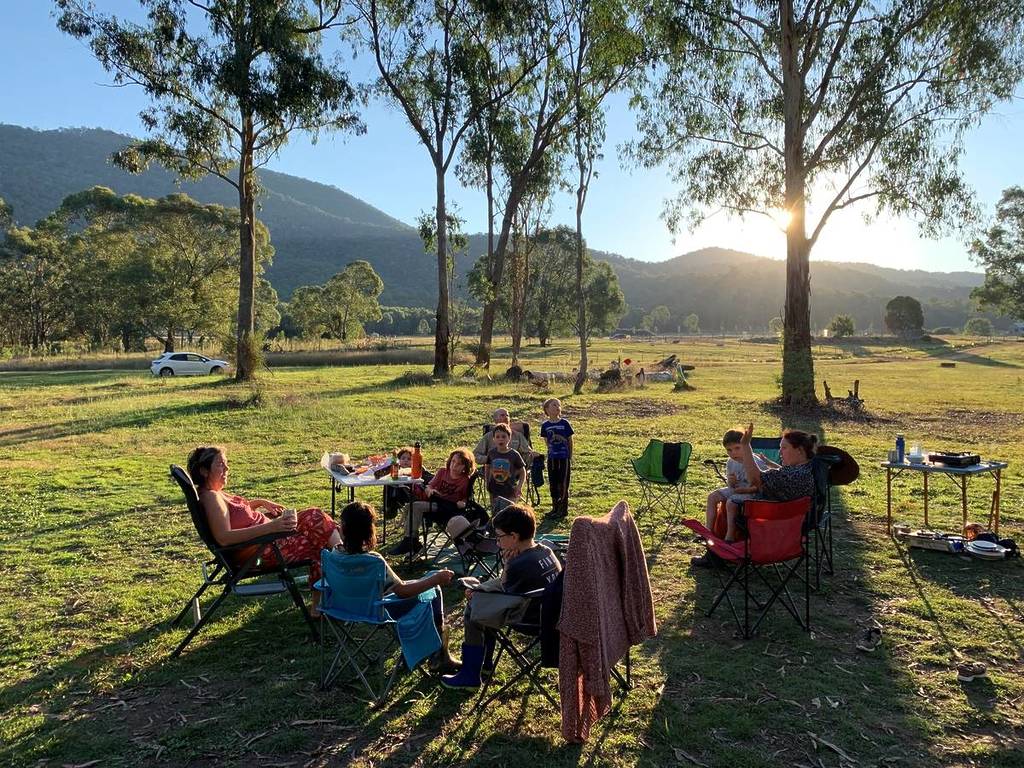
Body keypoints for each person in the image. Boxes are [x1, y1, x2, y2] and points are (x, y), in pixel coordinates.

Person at [188, 445, 341, 615]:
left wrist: (260, 503)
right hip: (264, 550)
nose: (227, 468)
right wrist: (272, 527)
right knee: (319, 538)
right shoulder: (212, 498)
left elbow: (235, 514)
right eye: (220, 465)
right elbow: (224, 537)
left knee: (316, 519)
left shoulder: (215, 492)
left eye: (226, 463)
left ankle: (341, 556)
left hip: (269, 540)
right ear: (204, 471)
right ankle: (343, 560)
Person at [442, 504, 562, 689]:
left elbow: (504, 588)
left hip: (531, 619)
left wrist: (505, 565)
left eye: (499, 537)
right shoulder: (546, 550)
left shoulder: (518, 564)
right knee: (480, 597)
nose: (497, 543)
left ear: (513, 537)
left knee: (474, 610)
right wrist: (482, 588)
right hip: (551, 612)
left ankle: (470, 674)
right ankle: (485, 664)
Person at [334, 501, 460, 674]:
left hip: (344, 607)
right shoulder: (373, 561)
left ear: (343, 528)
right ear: (370, 530)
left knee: (422, 583)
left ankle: (429, 652)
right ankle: (439, 656)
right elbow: (402, 592)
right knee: (434, 590)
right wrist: (435, 580)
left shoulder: (334, 554)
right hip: (378, 610)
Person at [718, 423, 817, 543]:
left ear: (800, 451)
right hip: (794, 520)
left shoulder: (791, 475)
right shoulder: (808, 469)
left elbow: (755, 480)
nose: (780, 453)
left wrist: (746, 446)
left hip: (774, 522)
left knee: (730, 503)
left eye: (784, 448)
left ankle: (724, 549)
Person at [691, 429, 769, 567]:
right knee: (713, 496)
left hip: (752, 493)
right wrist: (731, 482)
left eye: (737, 448)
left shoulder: (755, 462)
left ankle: (730, 535)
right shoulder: (731, 462)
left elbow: (759, 487)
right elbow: (730, 485)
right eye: (729, 450)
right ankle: (708, 531)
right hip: (737, 489)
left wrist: (744, 489)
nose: (734, 453)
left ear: (746, 446)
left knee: (731, 502)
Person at [390, 448, 476, 555]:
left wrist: (463, 502)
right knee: (412, 506)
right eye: (453, 461)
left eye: (459, 464)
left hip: (449, 508)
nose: (454, 466)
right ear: (450, 461)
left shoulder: (465, 480)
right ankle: (411, 541)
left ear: (465, 467)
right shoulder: (442, 472)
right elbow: (429, 485)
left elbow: (467, 498)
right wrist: (429, 489)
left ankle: (411, 541)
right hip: (436, 502)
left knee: (414, 506)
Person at [540, 397, 574, 517]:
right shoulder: (545, 425)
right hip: (552, 458)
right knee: (553, 482)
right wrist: (550, 451)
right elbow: (546, 441)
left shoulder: (564, 423)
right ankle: (555, 507)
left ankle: (563, 509)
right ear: (547, 409)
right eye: (554, 405)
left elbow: (570, 440)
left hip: (564, 457)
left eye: (558, 405)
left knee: (563, 482)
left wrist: (570, 455)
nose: (557, 407)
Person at [485, 423, 525, 512]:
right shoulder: (491, 453)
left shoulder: (514, 454)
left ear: (509, 438)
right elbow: (487, 467)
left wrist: (519, 487)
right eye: (498, 437)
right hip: (494, 488)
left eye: (504, 437)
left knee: (509, 513)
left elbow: (523, 471)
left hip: (509, 489)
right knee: (495, 513)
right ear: (494, 439)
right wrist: (487, 482)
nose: (501, 439)